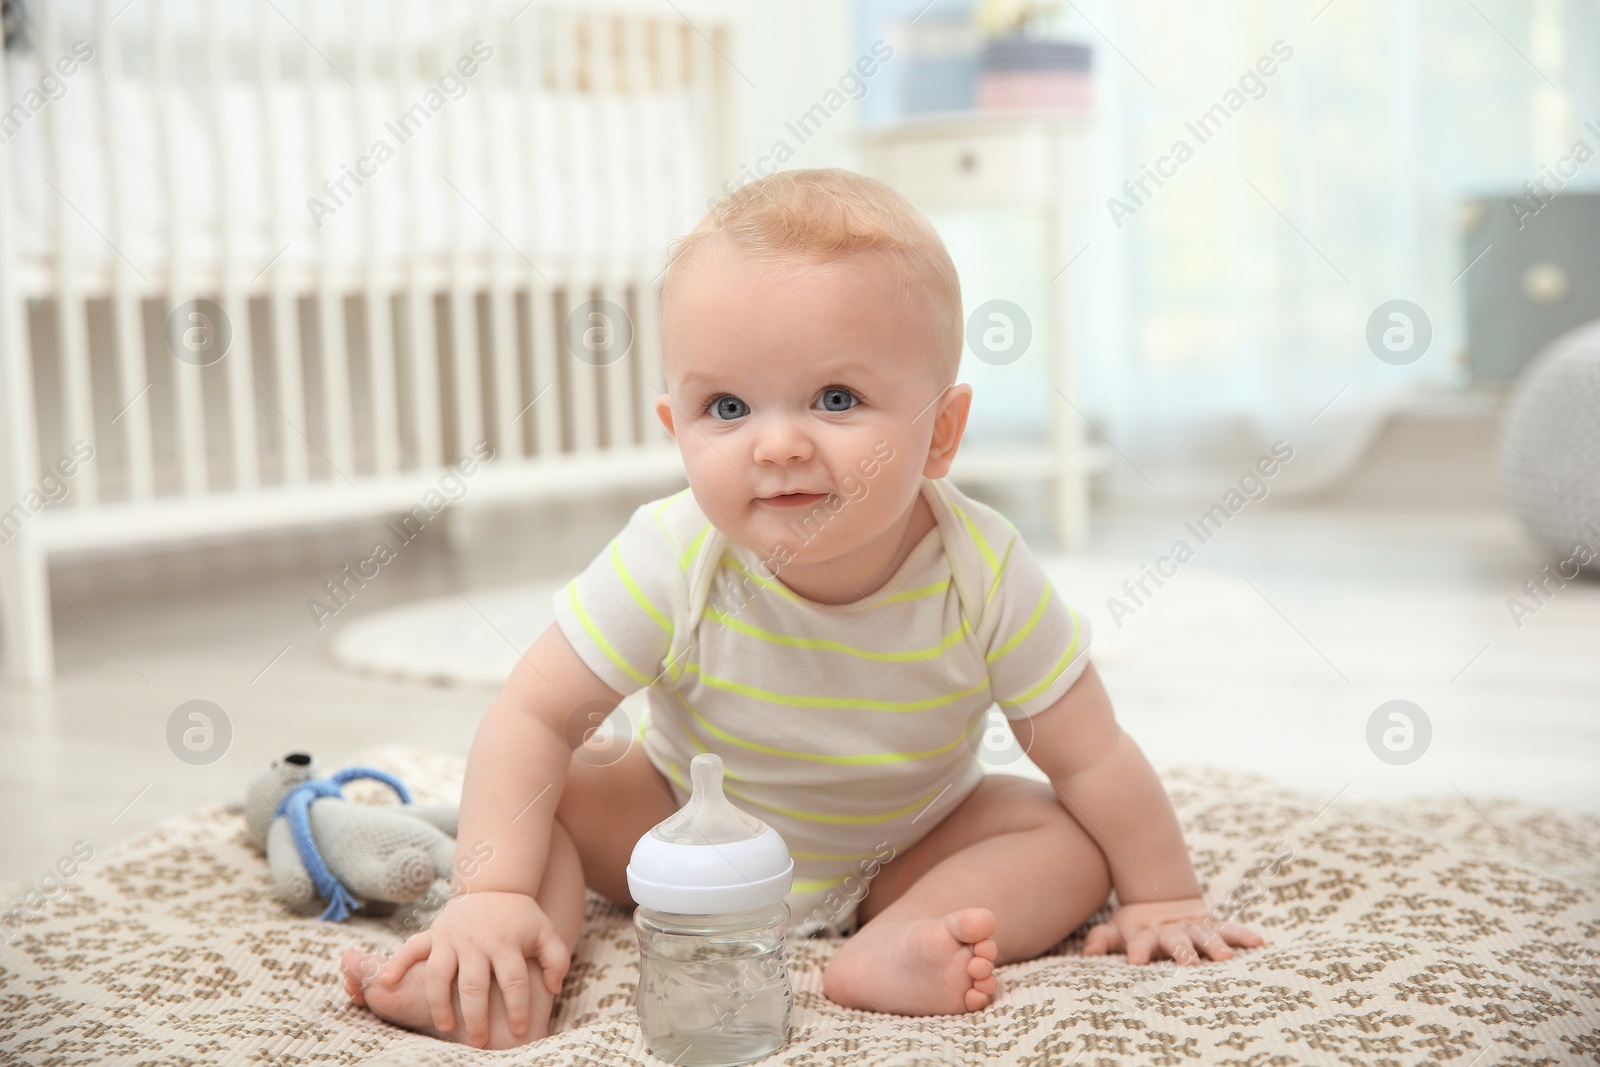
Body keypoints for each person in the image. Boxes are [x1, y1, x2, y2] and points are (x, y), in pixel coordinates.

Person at [339, 167, 1264, 1049]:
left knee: (1065, 838)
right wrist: (489, 887)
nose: (777, 444)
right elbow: (531, 711)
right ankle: (496, 970)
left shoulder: (983, 567)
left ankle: (895, 942)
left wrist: (1165, 895)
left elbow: (1091, 750)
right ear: (678, 431)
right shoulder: (672, 555)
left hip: (904, 845)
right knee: (562, 786)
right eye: (729, 407)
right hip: (680, 838)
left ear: (939, 431)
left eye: (835, 398)